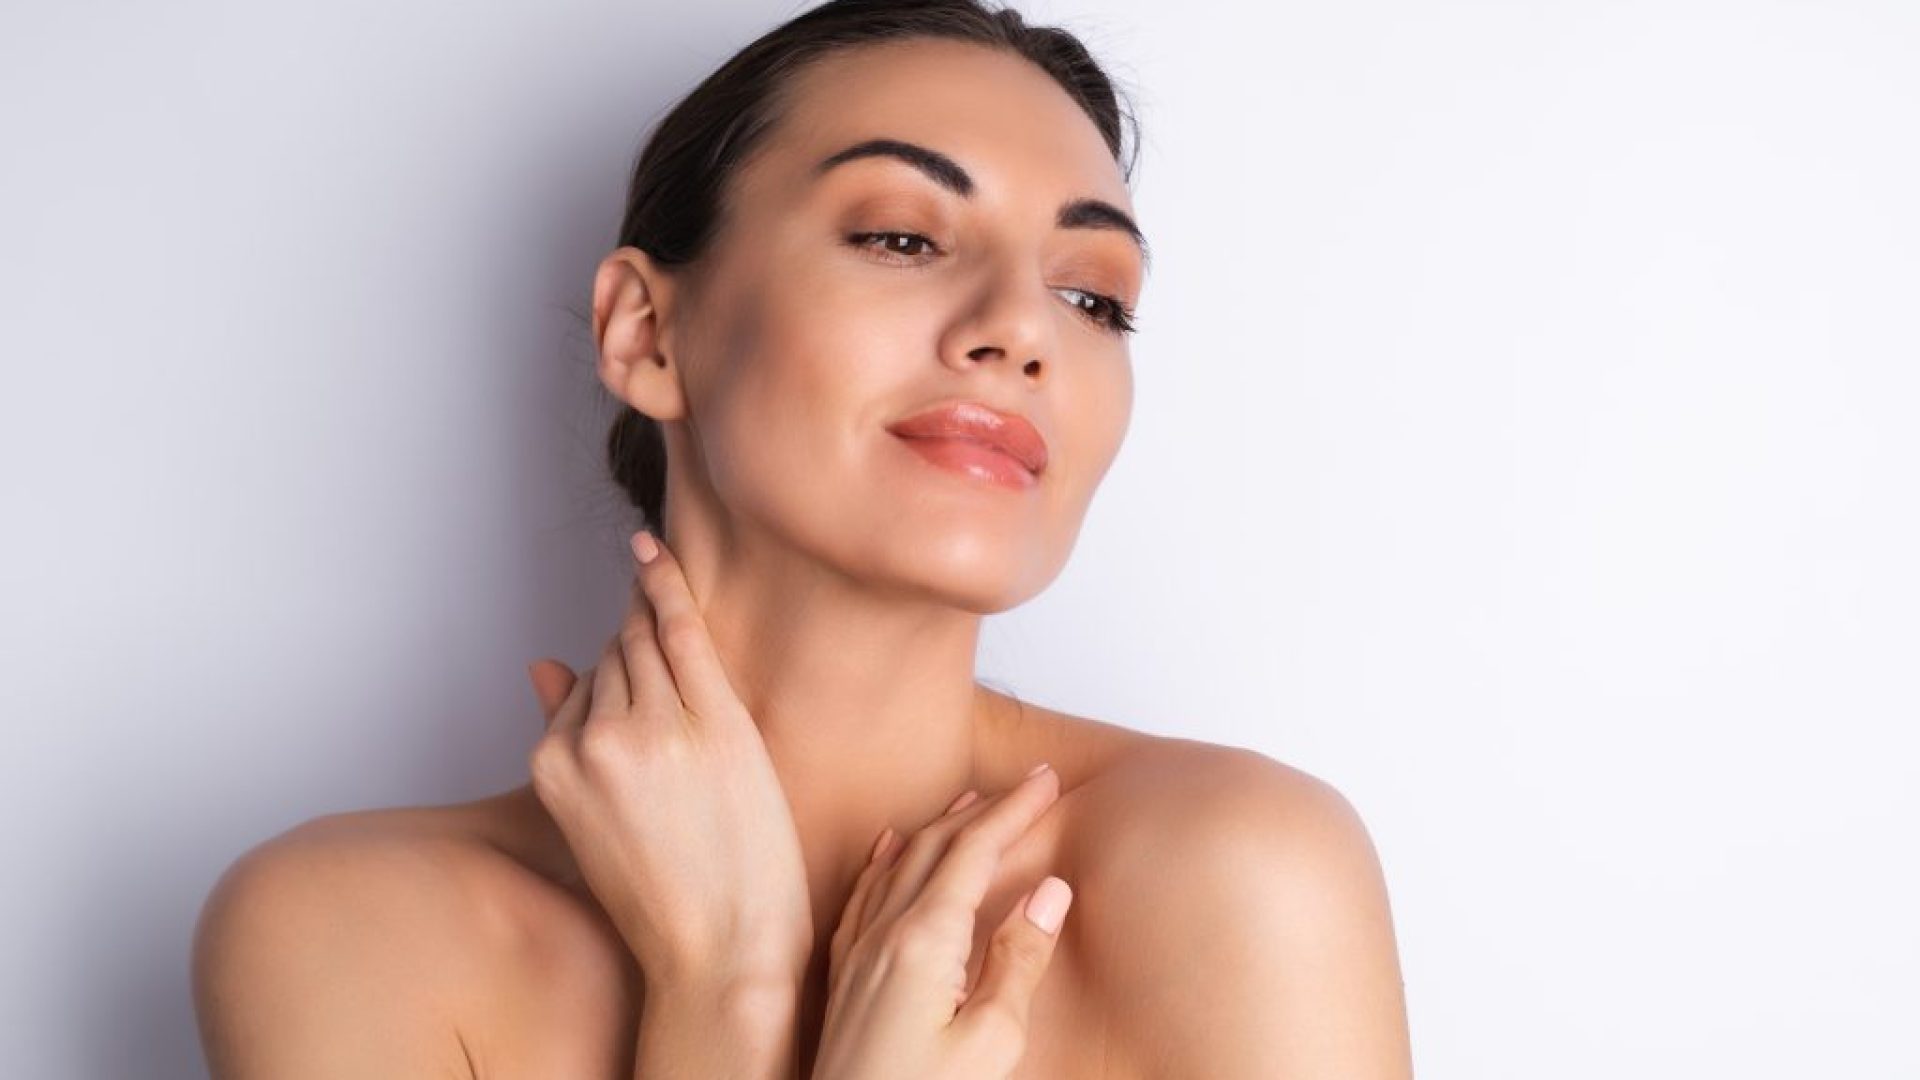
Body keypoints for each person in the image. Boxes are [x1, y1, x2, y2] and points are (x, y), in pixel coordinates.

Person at [190, 1, 1412, 1076]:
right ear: (647, 334)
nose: (1021, 330)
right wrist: (726, 988)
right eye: (902, 236)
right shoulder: (344, 934)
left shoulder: (1237, 878)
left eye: (1092, 296)